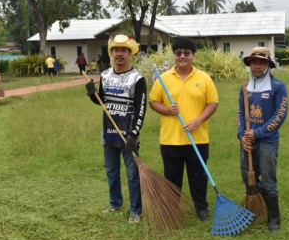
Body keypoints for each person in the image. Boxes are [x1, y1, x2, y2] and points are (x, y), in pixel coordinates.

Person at [149, 37, 219, 222]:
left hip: (198, 138)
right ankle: (171, 208)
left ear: (193, 56)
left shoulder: (204, 78)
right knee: (172, 177)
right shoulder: (163, 79)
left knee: (198, 176)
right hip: (171, 139)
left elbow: (213, 103)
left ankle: (201, 208)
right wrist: (167, 110)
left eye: (186, 53)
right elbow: (153, 102)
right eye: (178, 53)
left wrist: (198, 121)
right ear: (174, 56)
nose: (182, 56)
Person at [85, 34, 146, 223]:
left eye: (123, 50)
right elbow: (103, 102)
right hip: (109, 132)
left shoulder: (138, 78)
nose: (119, 54)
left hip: (128, 134)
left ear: (130, 54)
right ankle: (115, 203)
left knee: (132, 174)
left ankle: (136, 210)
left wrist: (134, 135)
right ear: (111, 53)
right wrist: (92, 94)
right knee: (111, 171)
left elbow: (141, 108)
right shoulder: (105, 75)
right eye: (116, 50)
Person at [237, 46, 288, 232]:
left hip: (267, 142)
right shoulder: (245, 86)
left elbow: (280, 115)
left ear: (268, 64)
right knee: (248, 178)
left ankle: (274, 218)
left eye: (261, 62)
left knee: (267, 180)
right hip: (247, 142)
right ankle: (256, 210)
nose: (257, 66)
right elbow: (240, 113)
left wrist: (257, 133)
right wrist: (242, 134)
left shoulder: (278, 86)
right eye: (254, 62)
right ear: (250, 64)